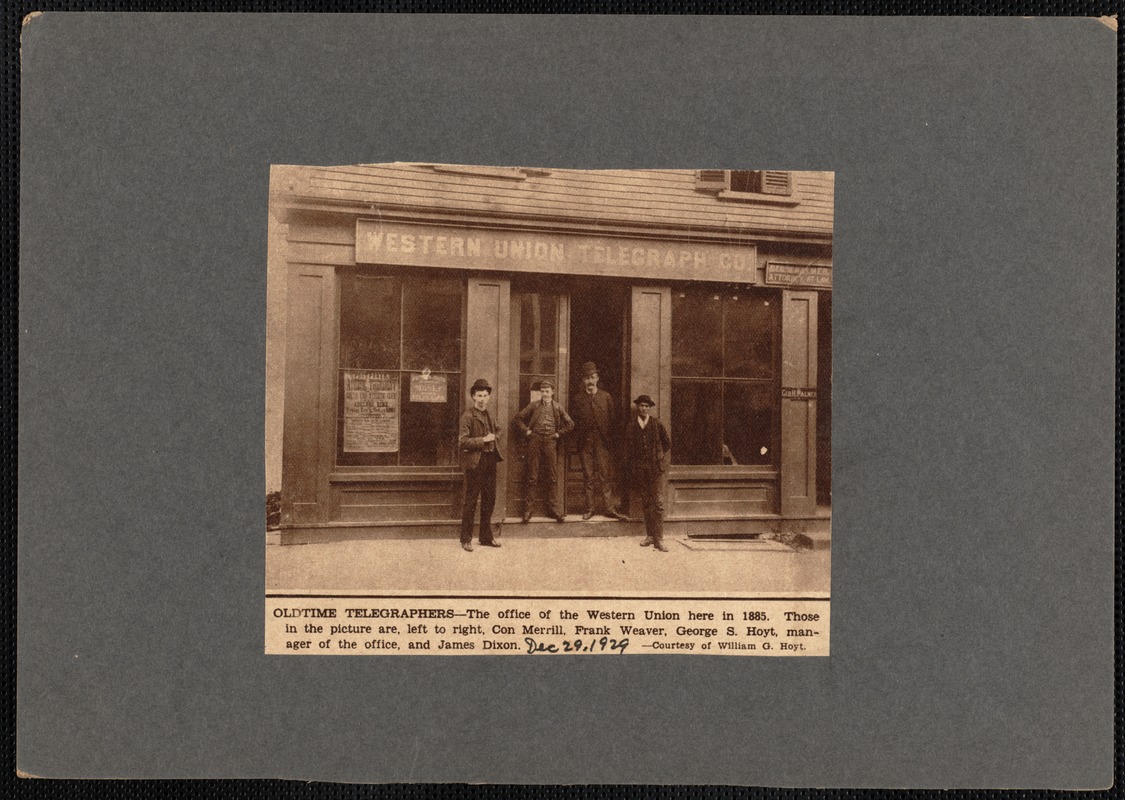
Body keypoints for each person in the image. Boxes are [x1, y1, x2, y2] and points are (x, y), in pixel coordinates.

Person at [571, 362, 625, 520]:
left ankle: (608, 508)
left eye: (593, 377)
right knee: (588, 477)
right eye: (587, 378)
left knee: (605, 477)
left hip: (603, 443)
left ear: (597, 378)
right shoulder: (578, 399)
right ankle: (589, 509)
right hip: (585, 443)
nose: (590, 381)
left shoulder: (606, 397)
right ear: (583, 380)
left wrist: (610, 443)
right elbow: (574, 422)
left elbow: (613, 421)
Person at [514, 379, 574, 523]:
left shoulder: (557, 407)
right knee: (532, 476)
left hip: (550, 442)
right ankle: (528, 510)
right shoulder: (534, 406)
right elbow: (518, 418)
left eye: (547, 391)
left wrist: (558, 434)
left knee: (552, 476)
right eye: (542, 391)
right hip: (535, 441)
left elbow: (570, 424)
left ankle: (554, 509)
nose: (545, 394)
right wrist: (527, 431)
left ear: (552, 392)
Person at [457, 378, 503, 551]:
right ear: (473, 397)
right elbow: (462, 442)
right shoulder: (467, 416)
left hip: (490, 461)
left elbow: (498, 430)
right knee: (471, 501)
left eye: (485, 395)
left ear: (489, 397)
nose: (482, 399)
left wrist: (494, 437)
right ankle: (466, 539)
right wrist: (483, 440)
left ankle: (485, 537)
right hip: (475, 463)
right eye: (479, 395)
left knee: (489, 500)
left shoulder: (489, 414)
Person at [624, 395, 671, 552]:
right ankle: (650, 536)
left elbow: (667, 443)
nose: (643, 408)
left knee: (657, 503)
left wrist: (658, 455)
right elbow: (628, 447)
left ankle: (659, 539)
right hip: (640, 470)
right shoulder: (632, 425)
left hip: (655, 470)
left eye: (646, 406)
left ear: (650, 408)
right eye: (641, 406)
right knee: (646, 502)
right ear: (638, 407)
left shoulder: (656, 424)